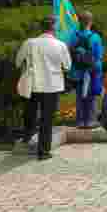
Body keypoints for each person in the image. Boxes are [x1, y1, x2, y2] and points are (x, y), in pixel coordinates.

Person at [17, 17, 72, 159]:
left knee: (30, 113)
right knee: (47, 119)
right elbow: (67, 66)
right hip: (52, 85)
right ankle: (43, 151)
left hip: (33, 84)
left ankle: (27, 137)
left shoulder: (29, 43)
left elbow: (18, 61)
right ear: (54, 29)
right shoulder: (60, 45)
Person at [70, 11, 105, 129]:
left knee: (80, 96)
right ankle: (90, 120)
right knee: (91, 96)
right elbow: (99, 56)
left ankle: (80, 121)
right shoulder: (95, 37)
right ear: (91, 22)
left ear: (79, 21)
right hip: (91, 71)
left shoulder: (73, 36)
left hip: (77, 72)